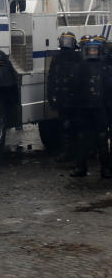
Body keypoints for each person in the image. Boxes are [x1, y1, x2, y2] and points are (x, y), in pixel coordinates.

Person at [69, 36, 110, 178]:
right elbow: (74, 88)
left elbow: (109, 89)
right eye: (90, 50)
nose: (92, 52)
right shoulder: (80, 67)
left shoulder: (105, 67)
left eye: (95, 50)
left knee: (102, 138)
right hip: (84, 109)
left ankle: (105, 168)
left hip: (100, 108)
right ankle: (81, 167)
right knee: (82, 138)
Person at [47, 32, 79, 162]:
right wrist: (51, 96)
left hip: (75, 98)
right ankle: (66, 152)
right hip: (62, 97)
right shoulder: (57, 58)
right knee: (64, 126)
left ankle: (78, 153)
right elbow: (51, 78)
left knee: (77, 126)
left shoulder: (78, 57)